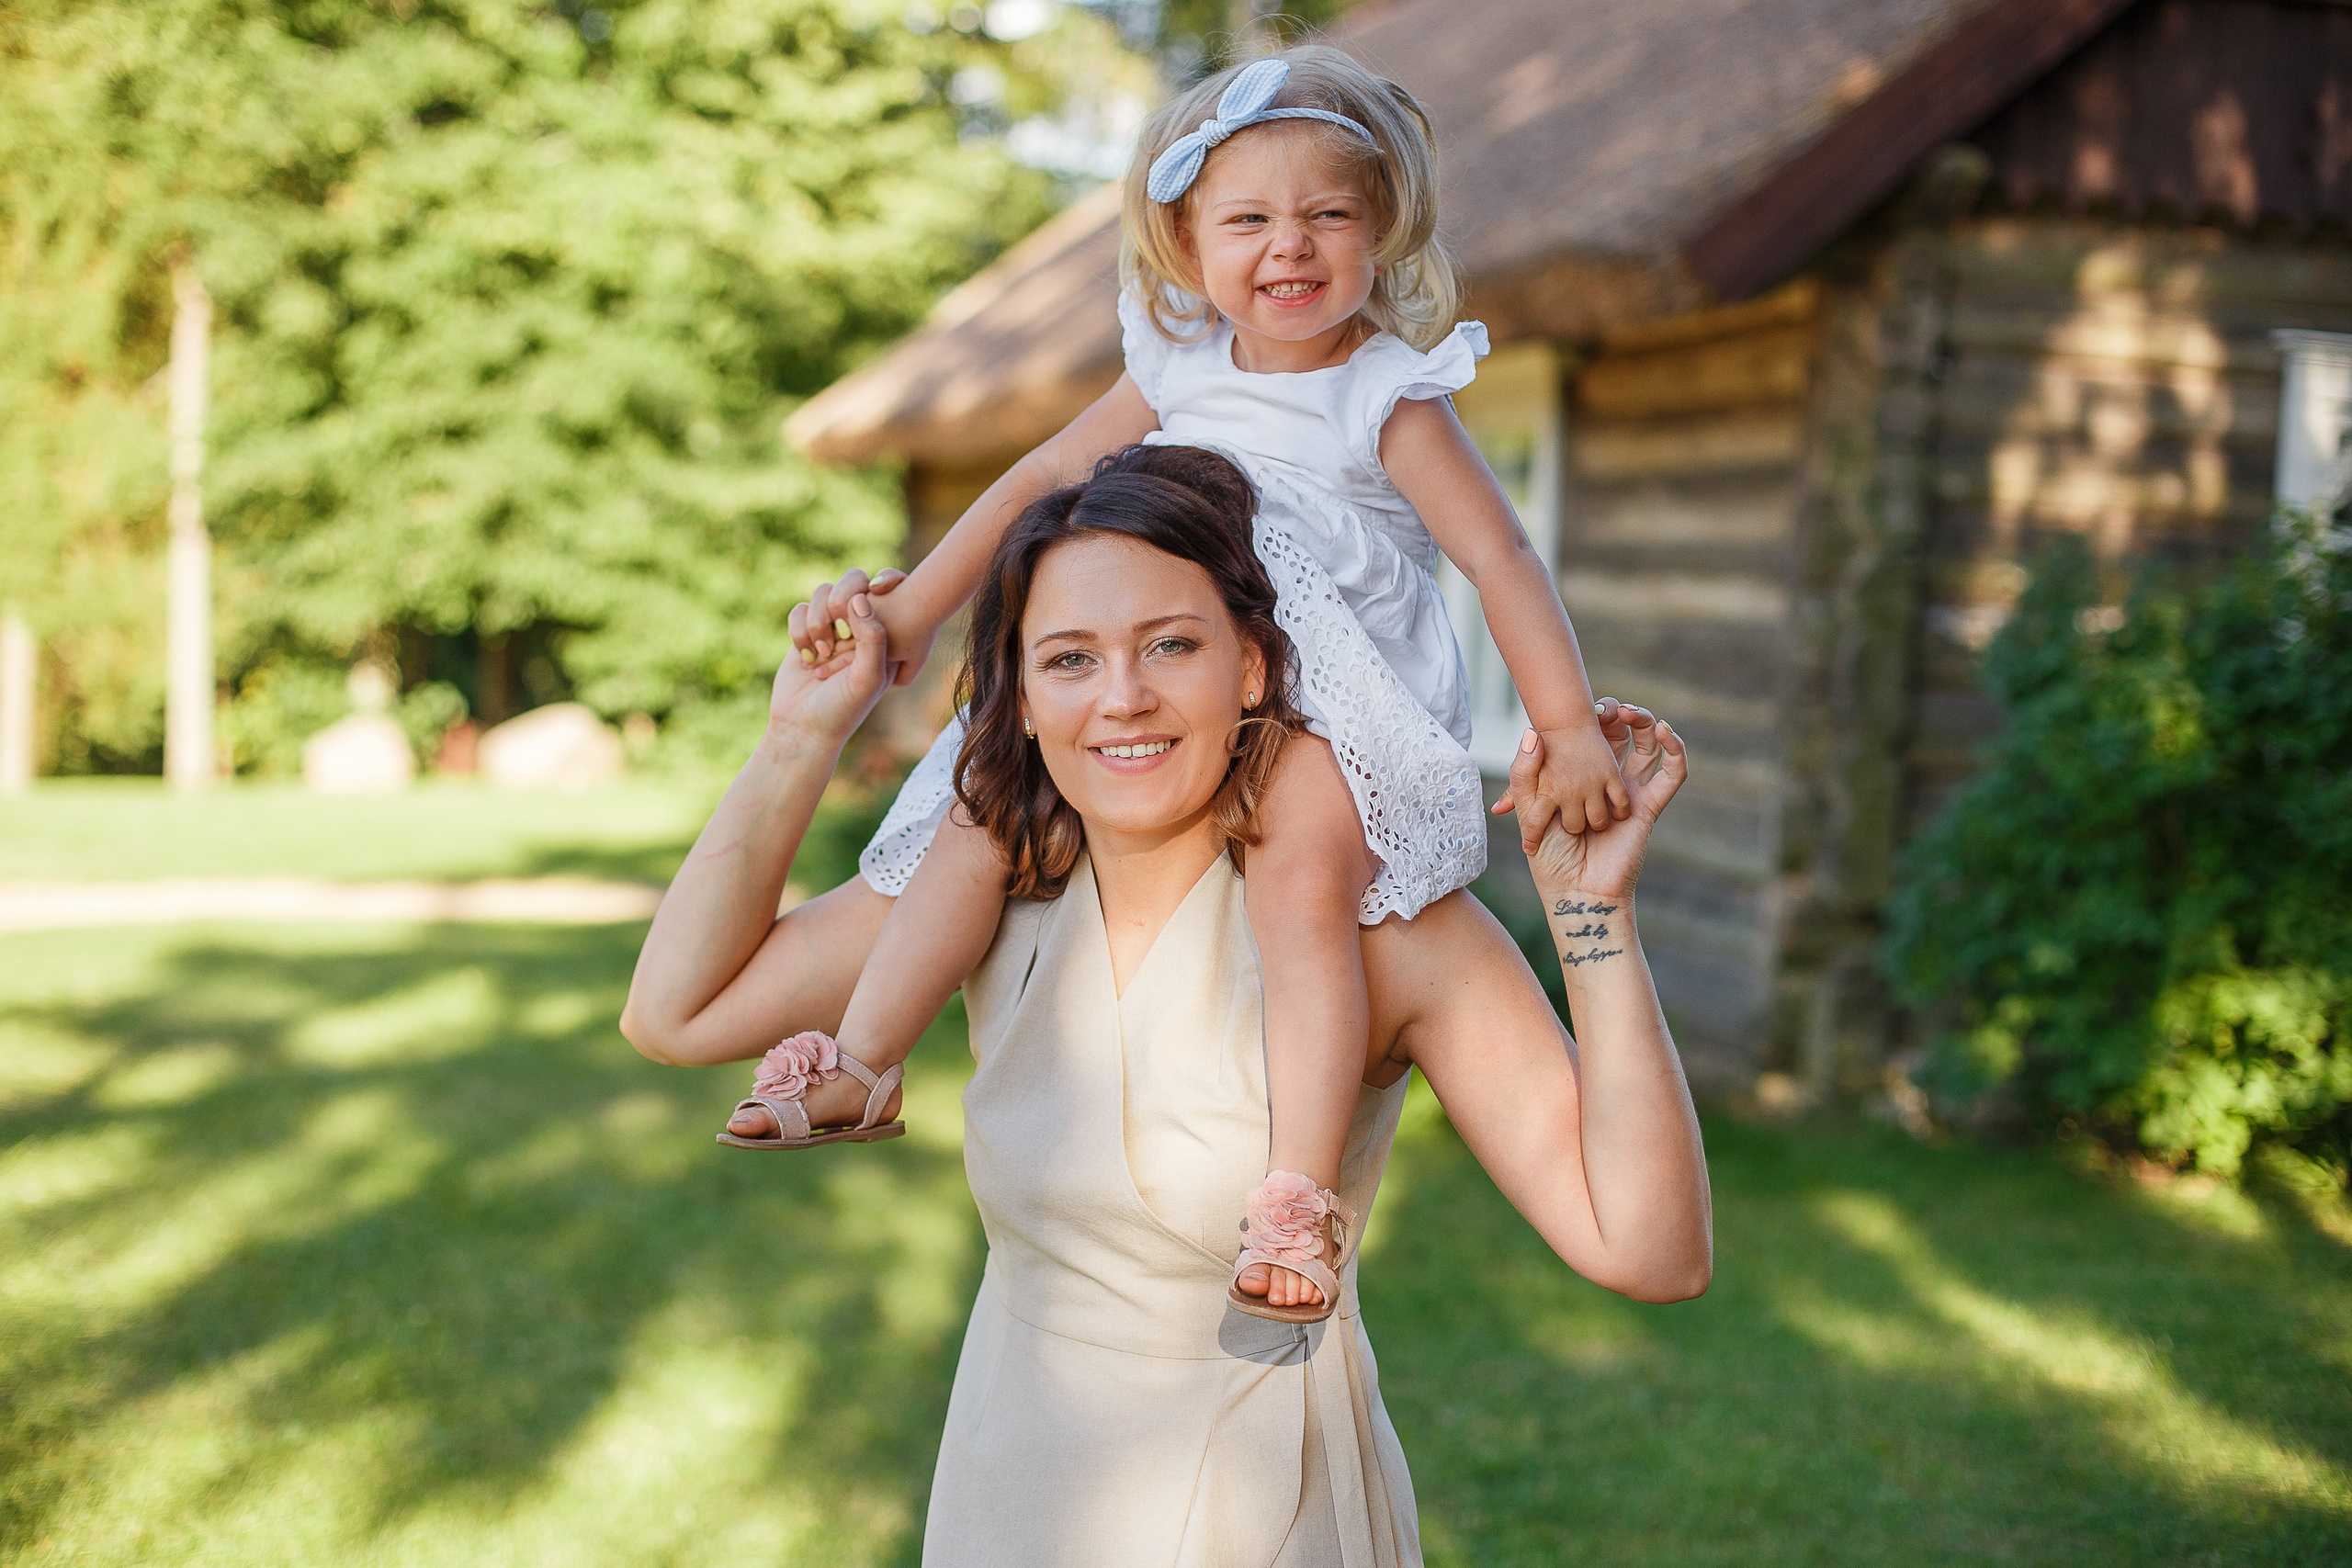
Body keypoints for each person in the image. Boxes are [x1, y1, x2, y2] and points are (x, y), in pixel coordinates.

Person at [622, 446, 1712, 1565]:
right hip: (1007, 1493)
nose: (1123, 697)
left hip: (1260, 1518)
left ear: (1251, 668)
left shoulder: (1374, 930)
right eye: (1069, 659)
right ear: (1023, 700)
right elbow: (677, 1014)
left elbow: (1651, 1251)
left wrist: (1592, 918)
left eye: (1171, 645)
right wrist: (802, 734)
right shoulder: (994, 881)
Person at [728, 45, 1626, 1323]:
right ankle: (864, 1062)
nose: (1289, 246)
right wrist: (914, 608)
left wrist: (1565, 724)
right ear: (1187, 242)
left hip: (1326, 706)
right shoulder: (1176, 362)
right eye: (1247, 220)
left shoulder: (1387, 392)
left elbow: (1501, 558)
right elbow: (1042, 476)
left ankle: (1296, 1196)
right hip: (1178, 674)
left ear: (1382, 230)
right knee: (986, 802)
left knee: (1303, 892)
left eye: (1328, 214)